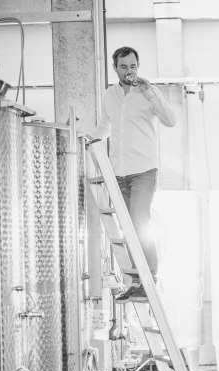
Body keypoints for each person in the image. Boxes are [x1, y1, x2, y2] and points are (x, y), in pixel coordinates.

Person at [87, 46, 176, 301]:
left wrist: (151, 94)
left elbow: (170, 120)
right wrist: (88, 139)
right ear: (115, 68)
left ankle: (151, 278)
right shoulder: (110, 95)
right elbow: (104, 127)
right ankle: (137, 281)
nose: (130, 71)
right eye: (124, 66)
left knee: (140, 221)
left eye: (133, 66)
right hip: (118, 172)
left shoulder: (148, 92)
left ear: (138, 66)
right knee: (128, 227)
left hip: (143, 170)